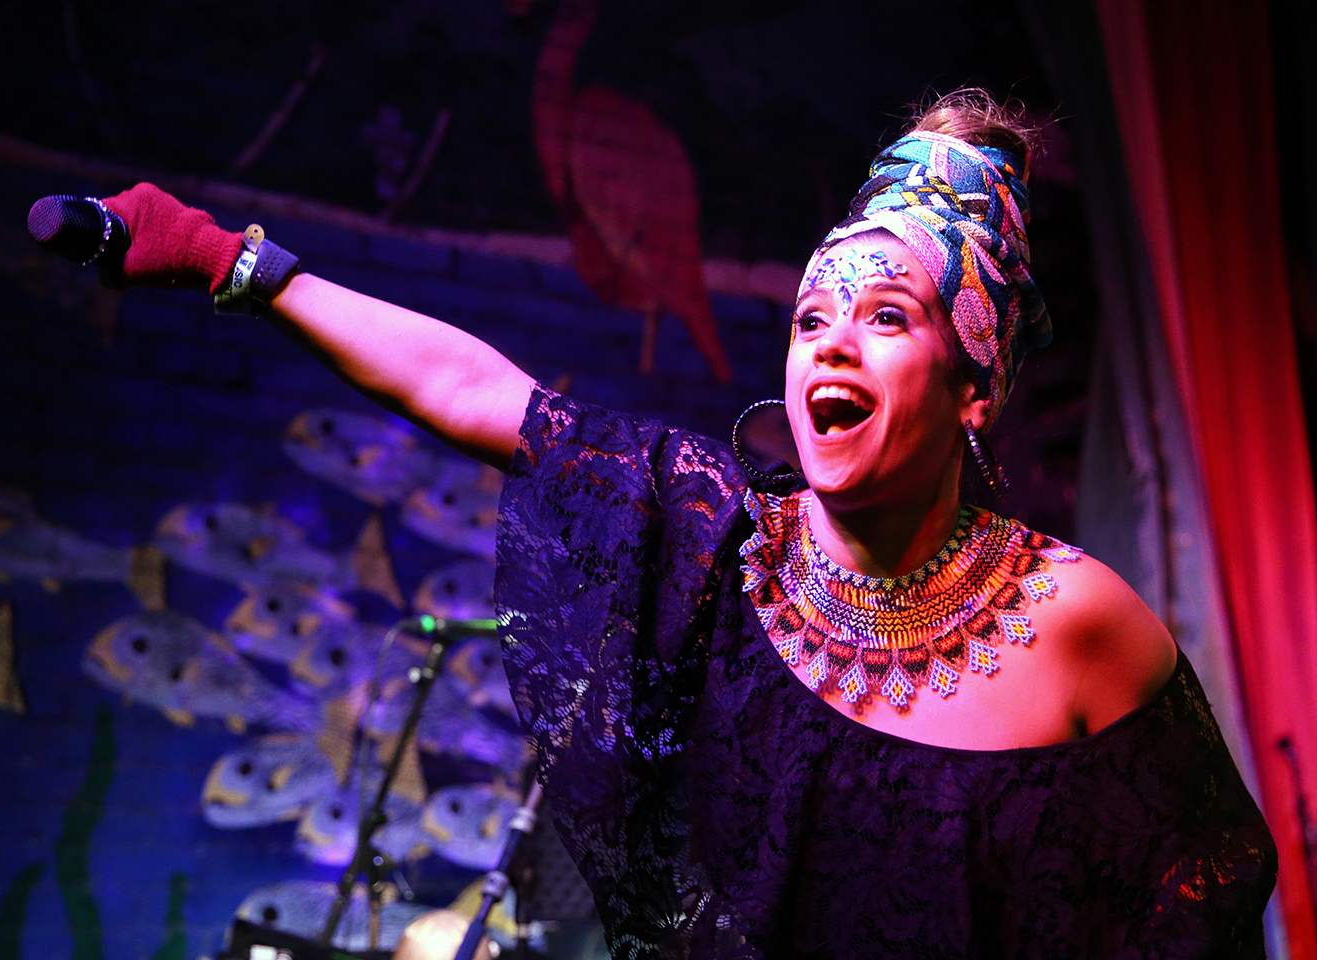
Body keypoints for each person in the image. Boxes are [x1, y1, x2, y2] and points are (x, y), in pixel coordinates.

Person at [62, 90, 1276, 958]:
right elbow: (484, 395)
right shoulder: (723, 549)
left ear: (976, 388)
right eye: (810, 318)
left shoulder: (1077, 626)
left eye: (889, 316)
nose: (833, 342)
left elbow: (1196, 898)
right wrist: (233, 263)